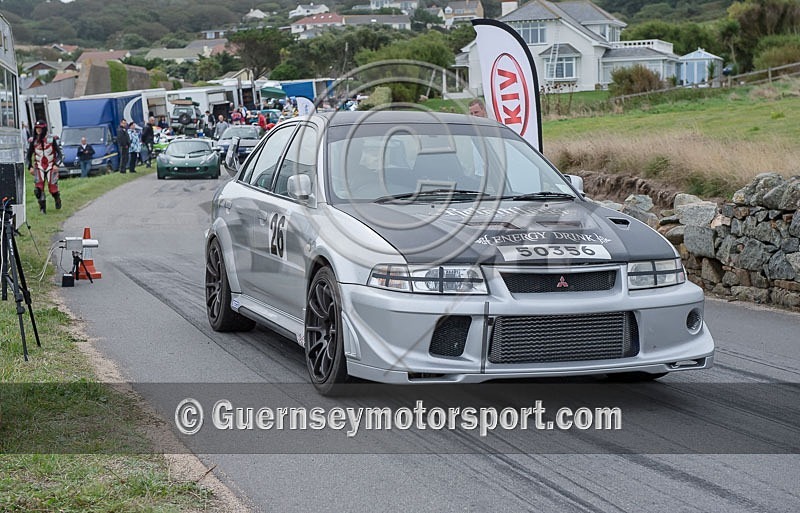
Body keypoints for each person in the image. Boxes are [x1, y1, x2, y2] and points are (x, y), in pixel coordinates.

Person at [26, 120, 63, 213]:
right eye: (37, 128)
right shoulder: (33, 141)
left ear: (44, 129)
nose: (38, 130)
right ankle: (42, 209)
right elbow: (28, 156)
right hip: (38, 166)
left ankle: (57, 198)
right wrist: (29, 167)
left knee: (53, 188)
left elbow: (60, 154)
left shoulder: (51, 139)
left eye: (40, 128)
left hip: (51, 166)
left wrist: (56, 164)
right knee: (38, 189)